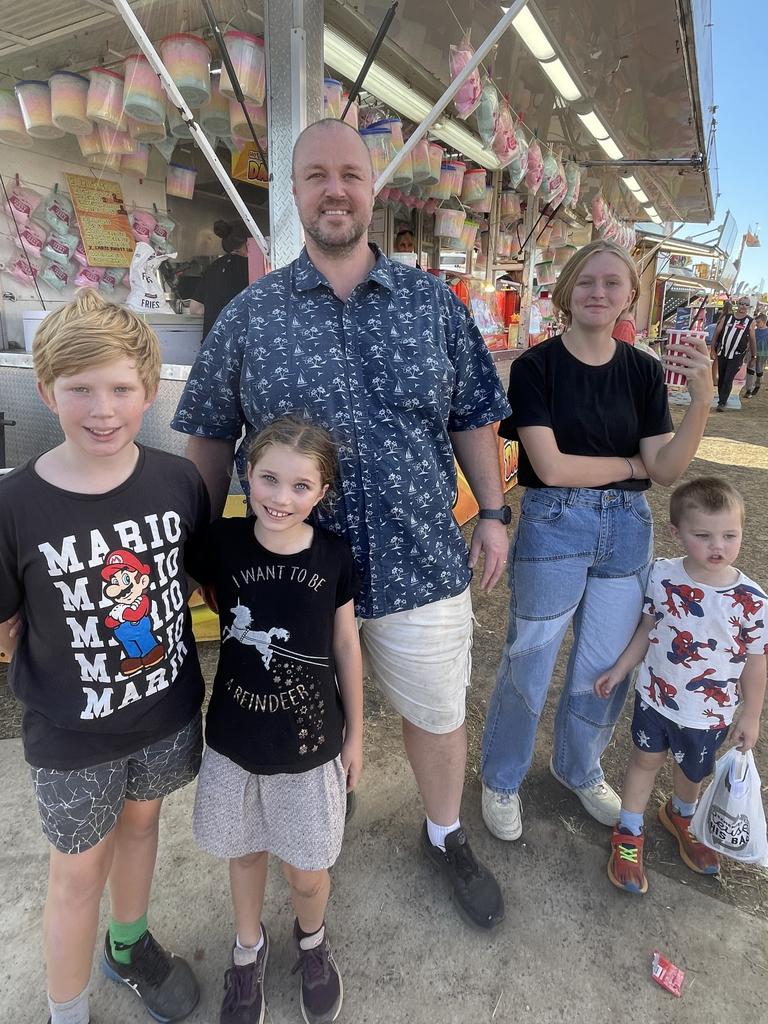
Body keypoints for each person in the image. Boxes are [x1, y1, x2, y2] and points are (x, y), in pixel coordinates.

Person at [172, 117, 511, 930]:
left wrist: (494, 511)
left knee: (436, 712)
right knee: (300, 713)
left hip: (421, 560)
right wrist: (188, 549)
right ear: (293, 192)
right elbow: (209, 439)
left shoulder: (433, 304)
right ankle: (322, 820)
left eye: (350, 175)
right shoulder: (251, 316)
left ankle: (444, 832)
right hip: (290, 579)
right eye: (316, 175)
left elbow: (472, 415)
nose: (335, 189)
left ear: (372, 190)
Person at [0, 290, 208, 1024]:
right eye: (80, 388)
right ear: (46, 389)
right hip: (72, 734)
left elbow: (189, 575)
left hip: (166, 710)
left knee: (145, 826)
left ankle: (127, 945)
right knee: (77, 870)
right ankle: (66, 1009)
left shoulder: (178, 481)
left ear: (148, 391)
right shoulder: (15, 503)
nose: (102, 407)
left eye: (121, 388)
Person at [480, 240, 713, 842]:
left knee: (606, 666)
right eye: (587, 281)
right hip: (556, 522)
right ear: (566, 290)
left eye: (613, 283)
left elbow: (664, 469)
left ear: (630, 295)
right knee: (528, 660)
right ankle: (501, 778)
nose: (599, 292)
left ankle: (577, 766)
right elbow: (551, 468)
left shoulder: (640, 371)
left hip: (627, 532)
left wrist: (703, 403)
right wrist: (629, 467)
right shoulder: (536, 366)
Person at [185, 415, 362, 1024]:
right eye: (268, 480)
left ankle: (311, 942)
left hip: (310, 746)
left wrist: (357, 734)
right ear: (246, 476)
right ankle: (247, 949)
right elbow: (176, 583)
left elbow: (346, 647)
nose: (281, 498)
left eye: (300, 486)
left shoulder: (335, 556)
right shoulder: (222, 543)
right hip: (235, 740)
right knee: (245, 854)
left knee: (309, 873)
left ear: (322, 492)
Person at [595, 477, 767, 893]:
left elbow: (756, 661)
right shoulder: (663, 576)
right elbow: (648, 629)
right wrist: (621, 669)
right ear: (677, 532)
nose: (718, 547)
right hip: (655, 698)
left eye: (730, 535)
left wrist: (752, 714)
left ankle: (681, 815)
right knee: (644, 762)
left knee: (692, 771)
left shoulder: (753, 600)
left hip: (709, 714)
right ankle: (630, 832)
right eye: (703, 535)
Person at [189, 219, 250, 339]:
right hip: (239, 347)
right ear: (247, 242)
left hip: (211, 347)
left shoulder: (213, 267)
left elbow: (195, 309)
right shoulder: (252, 267)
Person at [711, 297, 756, 410]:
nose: (743, 306)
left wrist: (754, 356)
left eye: (746, 304)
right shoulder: (727, 318)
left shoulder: (750, 321)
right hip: (723, 352)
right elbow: (716, 334)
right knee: (722, 377)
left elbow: (752, 339)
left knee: (728, 377)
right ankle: (722, 397)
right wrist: (712, 349)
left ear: (748, 307)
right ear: (738, 304)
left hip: (737, 355)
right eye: (741, 303)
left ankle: (722, 402)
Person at [743, 310, 767, 398]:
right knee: (750, 370)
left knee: (759, 371)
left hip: (763, 354)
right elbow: (750, 343)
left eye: (758, 322)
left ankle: (758, 384)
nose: (756, 324)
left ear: (764, 322)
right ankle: (748, 390)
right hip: (752, 353)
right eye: (756, 322)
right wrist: (746, 354)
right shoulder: (754, 331)